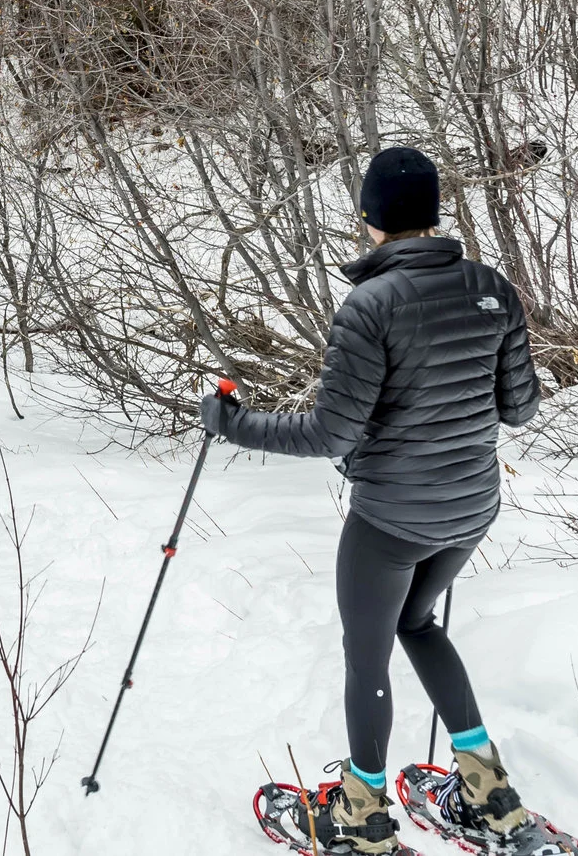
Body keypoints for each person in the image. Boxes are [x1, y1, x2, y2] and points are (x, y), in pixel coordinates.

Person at [202, 146, 546, 855]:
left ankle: (361, 812)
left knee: (368, 655)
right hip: (471, 507)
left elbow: (332, 432)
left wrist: (234, 423)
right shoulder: (493, 288)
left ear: (371, 219)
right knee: (417, 622)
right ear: (433, 211)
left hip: (391, 519)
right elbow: (519, 408)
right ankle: (488, 791)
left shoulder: (369, 305)